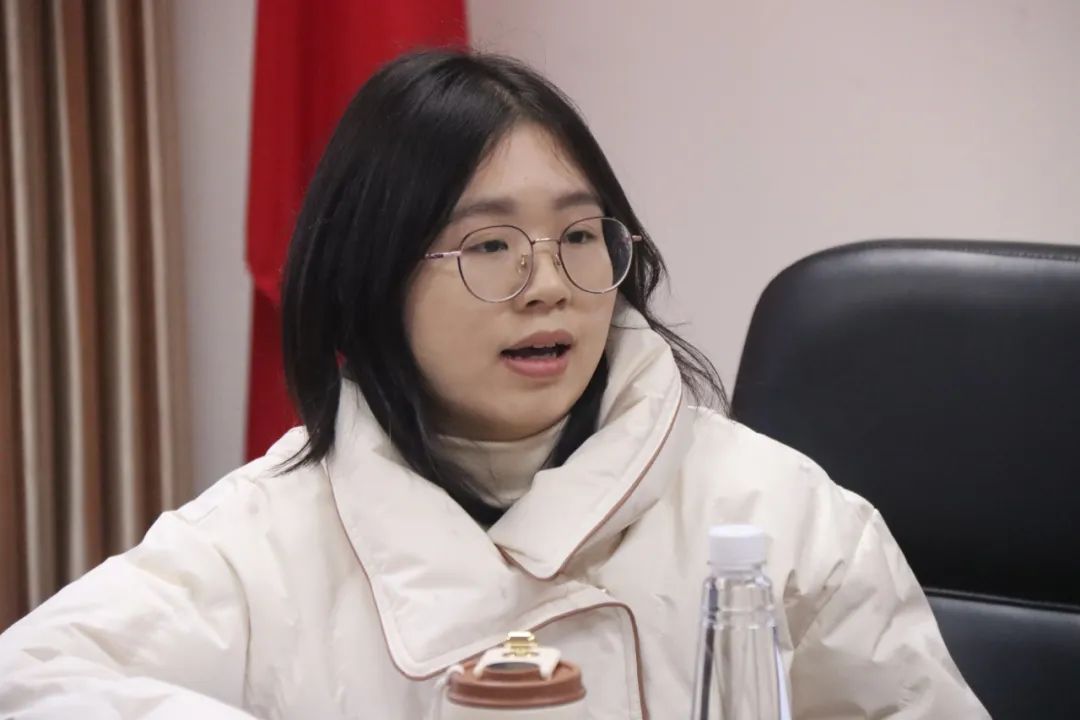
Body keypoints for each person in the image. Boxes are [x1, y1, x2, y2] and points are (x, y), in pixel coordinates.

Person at [0, 49, 987, 719]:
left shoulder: (777, 513)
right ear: (372, 275)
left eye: (579, 235)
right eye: (489, 246)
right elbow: (34, 680)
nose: (550, 284)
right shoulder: (268, 534)